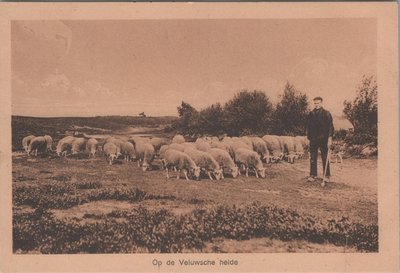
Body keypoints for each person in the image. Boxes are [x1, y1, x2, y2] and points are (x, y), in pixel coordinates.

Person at [306, 96, 334, 183]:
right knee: (313, 157)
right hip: (313, 139)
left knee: (325, 157)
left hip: (323, 139)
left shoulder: (326, 113)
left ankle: (327, 175)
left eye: (318, 103)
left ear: (321, 103)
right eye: (315, 103)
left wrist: (330, 138)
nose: (316, 105)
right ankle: (313, 175)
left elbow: (330, 127)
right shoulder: (311, 114)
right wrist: (308, 138)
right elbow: (308, 127)